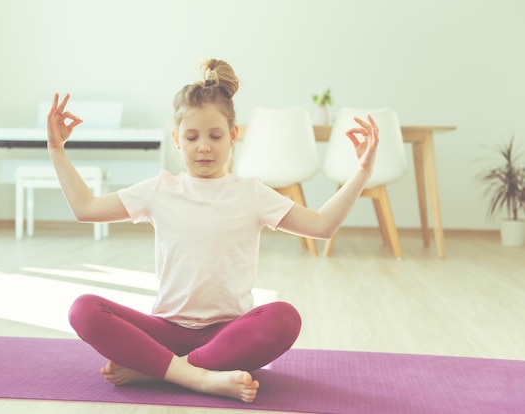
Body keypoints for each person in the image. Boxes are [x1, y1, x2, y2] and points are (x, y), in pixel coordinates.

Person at [47, 59, 379, 403]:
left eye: (215, 135)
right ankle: (200, 378)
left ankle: (158, 371)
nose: (203, 146)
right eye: (191, 137)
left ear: (234, 135)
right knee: (83, 309)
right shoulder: (160, 189)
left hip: (229, 336)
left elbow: (321, 226)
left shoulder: (252, 193)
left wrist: (363, 171)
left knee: (284, 318)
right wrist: (56, 149)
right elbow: (85, 208)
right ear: (177, 140)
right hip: (166, 331)